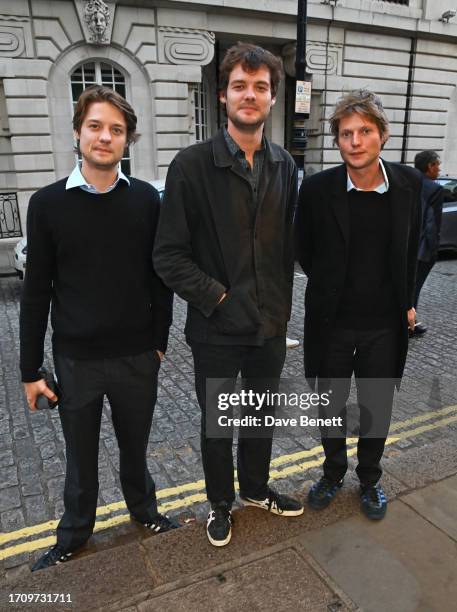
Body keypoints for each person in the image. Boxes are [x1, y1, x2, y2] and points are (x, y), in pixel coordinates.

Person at [20, 85, 177, 571]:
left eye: (116, 129)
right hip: (76, 359)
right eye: (95, 126)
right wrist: (30, 369)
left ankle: (145, 512)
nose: (104, 137)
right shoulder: (46, 204)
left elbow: (161, 278)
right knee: (79, 457)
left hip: (136, 357)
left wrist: (158, 343)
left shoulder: (148, 199)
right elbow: (37, 291)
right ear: (77, 132)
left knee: (135, 448)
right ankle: (73, 535)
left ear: (127, 140)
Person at [154, 42, 303, 547]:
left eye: (260, 87)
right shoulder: (191, 165)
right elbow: (169, 255)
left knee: (261, 415)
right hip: (216, 328)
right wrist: (218, 299)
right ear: (223, 96)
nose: (250, 95)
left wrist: (279, 306)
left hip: (269, 326)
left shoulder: (285, 164)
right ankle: (221, 502)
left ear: (272, 98)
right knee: (218, 422)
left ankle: (256, 488)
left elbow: (286, 247)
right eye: (240, 85)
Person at [295, 89, 421, 520]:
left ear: (382, 135)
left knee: (376, 406)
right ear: (337, 141)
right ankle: (332, 473)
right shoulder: (315, 190)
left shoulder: (407, 184)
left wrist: (408, 302)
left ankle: (369, 479)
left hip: (384, 324)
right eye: (346, 133)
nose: (355, 141)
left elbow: (412, 250)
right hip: (331, 323)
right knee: (329, 406)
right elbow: (305, 252)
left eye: (365, 131)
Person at [411, 150, 445, 336]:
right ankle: (408, 325)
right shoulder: (434, 189)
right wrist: (432, 251)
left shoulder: (407, 181)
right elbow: (432, 223)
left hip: (403, 244)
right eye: (437, 165)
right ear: (430, 166)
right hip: (422, 249)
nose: (439, 169)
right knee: (414, 288)